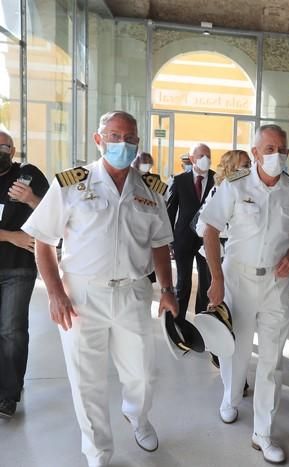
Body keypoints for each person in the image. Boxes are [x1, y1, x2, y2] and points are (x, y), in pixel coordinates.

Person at [22, 111, 177, 465]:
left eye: (130, 138)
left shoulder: (151, 191)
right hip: (81, 294)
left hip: (133, 292)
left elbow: (159, 244)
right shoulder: (70, 184)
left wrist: (167, 288)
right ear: (98, 139)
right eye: (114, 136)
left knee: (141, 373)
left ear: (138, 142)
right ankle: (97, 451)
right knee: (86, 379)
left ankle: (137, 416)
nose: (122, 144)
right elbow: (43, 242)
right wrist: (56, 293)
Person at [200, 124, 289, 464]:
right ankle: (230, 398)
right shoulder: (234, 185)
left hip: (276, 284)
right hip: (238, 279)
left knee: (272, 360)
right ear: (256, 153)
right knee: (237, 351)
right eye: (270, 148)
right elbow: (210, 231)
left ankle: (263, 432)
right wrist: (216, 279)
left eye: (282, 149)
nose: (278, 155)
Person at [0, 131, 49, 418]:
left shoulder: (28, 175)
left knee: (11, 330)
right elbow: (16, 235)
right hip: (14, 250)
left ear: (14, 150)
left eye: (4, 146)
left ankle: (8, 394)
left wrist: (32, 199)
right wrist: (11, 236)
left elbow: (54, 214)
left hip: (19, 268)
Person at [167, 143, 215, 324]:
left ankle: (201, 323)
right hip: (183, 240)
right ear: (192, 158)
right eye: (202, 155)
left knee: (205, 284)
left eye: (208, 155)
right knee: (183, 284)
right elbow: (170, 213)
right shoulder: (179, 180)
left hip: (207, 242)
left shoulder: (217, 180)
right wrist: (169, 241)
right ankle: (177, 323)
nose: (206, 159)